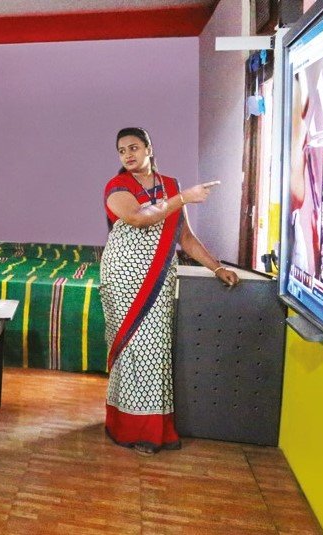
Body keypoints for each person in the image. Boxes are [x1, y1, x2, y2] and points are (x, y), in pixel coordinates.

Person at [101, 127, 238, 455]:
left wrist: (216, 268)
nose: (128, 154)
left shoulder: (171, 187)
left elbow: (185, 237)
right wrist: (184, 198)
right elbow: (139, 218)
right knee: (133, 351)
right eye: (122, 150)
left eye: (134, 147)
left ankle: (152, 428)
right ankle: (129, 428)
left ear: (149, 148)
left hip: (160, 278)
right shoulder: (117, 186)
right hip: (123, 277)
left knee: (155, 350)